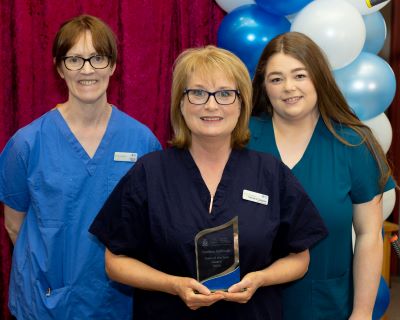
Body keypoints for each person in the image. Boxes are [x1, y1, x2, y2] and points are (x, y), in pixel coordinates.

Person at [89, 45, 328, 320]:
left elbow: (300, 258)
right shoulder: (149, 173)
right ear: (180, 103)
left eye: (225, 94)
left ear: (242, 104)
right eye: (198, 93)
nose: (211, 105)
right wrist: (173, 285)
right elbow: (114, 262)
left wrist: (261, 278)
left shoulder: (270, 173)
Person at [0, 15, 161, 319]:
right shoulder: (26, 144)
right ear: (60, 68)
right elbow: (14, 225)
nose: (87, 70)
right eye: (75, 59)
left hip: (115, 302)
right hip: (44, 303)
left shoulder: (143, 142)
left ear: (113, 65)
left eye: (97, 58)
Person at [248, 31, 396, 320]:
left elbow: (369, 235)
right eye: (276, 79)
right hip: (250, 304)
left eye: (299, 75)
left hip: (325, 305)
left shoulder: (353, 144)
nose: (289, 87)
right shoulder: (242, 140)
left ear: (318, 77)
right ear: (265, 87)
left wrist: (362, 313)